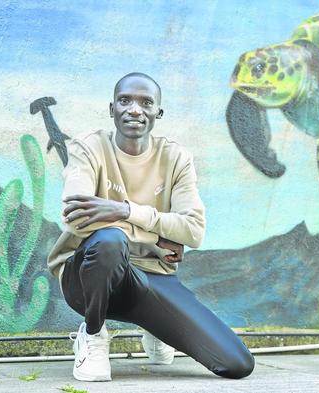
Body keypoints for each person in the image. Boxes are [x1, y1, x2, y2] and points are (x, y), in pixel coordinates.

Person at [47, 72, 255, 382]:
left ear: (158, 112)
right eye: (125, 101)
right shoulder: (88, 148)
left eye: (146, 103)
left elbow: (194, 231)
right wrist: (152, 241)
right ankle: (92, 334)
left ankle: (155, 325)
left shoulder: (176, 158)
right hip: (85, 281)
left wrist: (123, 209)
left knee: (237, 364)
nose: (134, 110)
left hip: (151, 277)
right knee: (109, 242)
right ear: (111, 109)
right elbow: (75, 217)